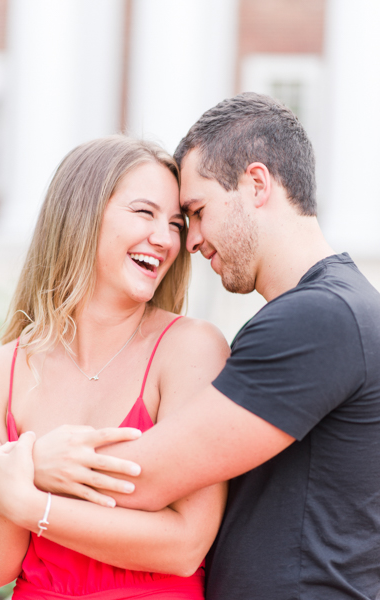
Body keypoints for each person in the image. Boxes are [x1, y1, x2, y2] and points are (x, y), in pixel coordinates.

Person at [27, 93, 380, 599]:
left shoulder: (318, 318)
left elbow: (142, 480)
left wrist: (27, 470)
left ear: (256, 184)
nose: (188, 242)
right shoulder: (338, 307)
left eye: (194, 211)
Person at [0, 135, 230, 599]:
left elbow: (185, 545)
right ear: (82, 215)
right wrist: (27, 476)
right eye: (144, 212)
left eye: (176, 223)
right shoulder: (1, 373)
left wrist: (28, 497)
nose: (166, 238)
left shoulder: (191, 349)